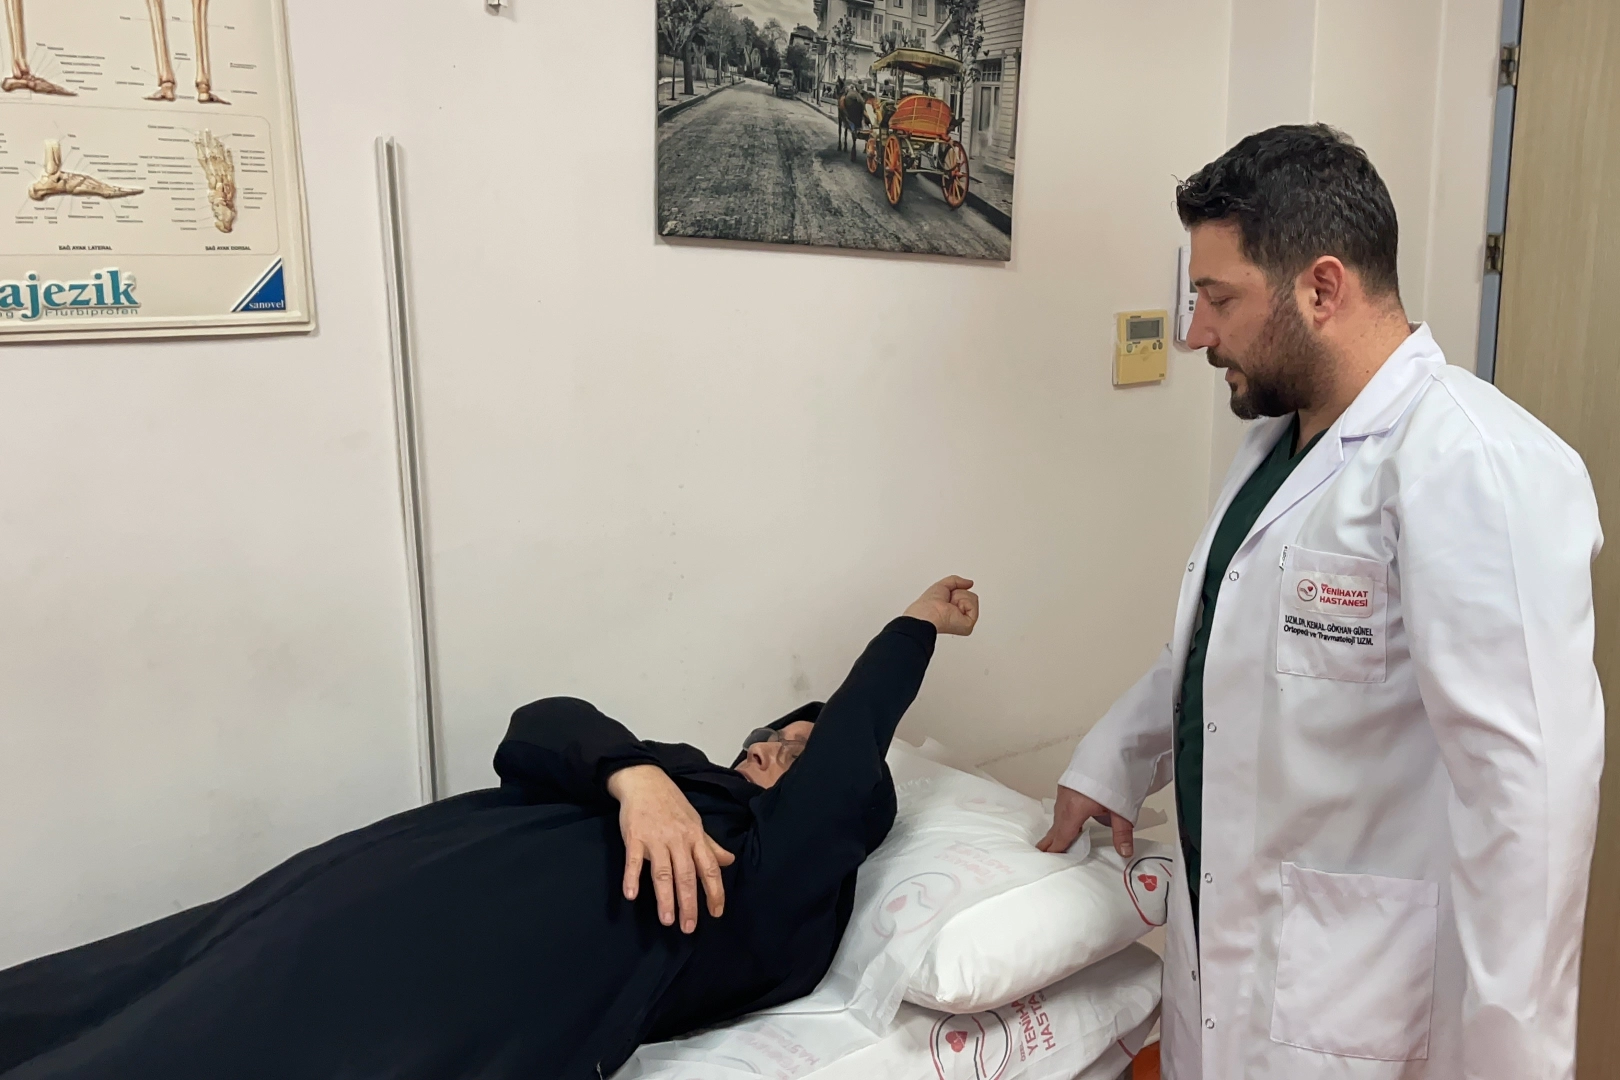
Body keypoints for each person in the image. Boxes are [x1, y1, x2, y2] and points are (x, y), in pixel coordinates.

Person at [1038, 125, 1604, 1079]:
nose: (1195, 333)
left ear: (1322, 288)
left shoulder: (1474, 464)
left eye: (1218, 298)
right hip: (1233, 965)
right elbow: (1227, 645)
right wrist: (1116, 758)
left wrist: (1515, 1062)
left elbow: (1531, 808)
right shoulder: (1281, 446)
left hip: (1359, 1003)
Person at [0, 577, 981, 1080]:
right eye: (773, 734)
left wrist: (913, 625)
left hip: (440, 986)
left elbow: (851, 747)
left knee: (174, 1049)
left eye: (799, 752)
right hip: (369, 883)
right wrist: (635, 775)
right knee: (120, 982)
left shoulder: (779, 885)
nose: (774, 747)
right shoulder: (678, 777)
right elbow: (540, 723)